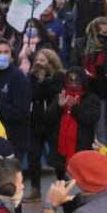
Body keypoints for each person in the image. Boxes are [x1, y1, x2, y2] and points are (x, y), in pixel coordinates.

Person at [24, 49, 65, 201]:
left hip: (53, 121)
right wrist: (38, 83)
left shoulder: (59, 76)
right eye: (37, 60)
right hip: (35, 120)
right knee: (33, 154)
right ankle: (35, 189)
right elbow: (33, 95)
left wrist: (44, 83)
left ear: (50, 61)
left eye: (42, 60)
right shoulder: (31, 76)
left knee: (57, 155)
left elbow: (55, 94)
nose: (39, 63)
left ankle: (62, 185)